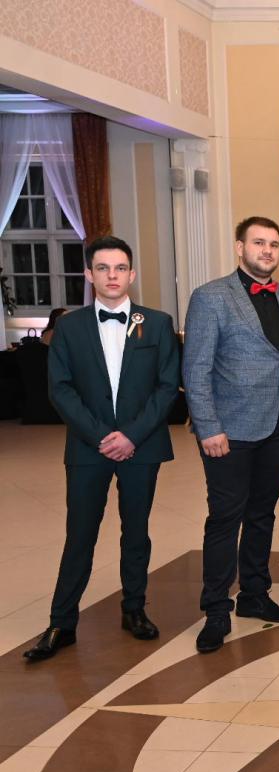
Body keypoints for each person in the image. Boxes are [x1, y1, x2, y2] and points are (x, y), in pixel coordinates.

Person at [25, 237, 179, 662]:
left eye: (120, 268)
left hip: (141, 445)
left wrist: (131, 435)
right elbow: (60, 390)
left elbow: (167, 387)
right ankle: (62, 621)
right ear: (89, 274)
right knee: (80, 533)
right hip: (88, 446)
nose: (112, 275)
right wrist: (101, 437)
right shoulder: (69, 327)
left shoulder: (158, 323)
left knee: (136, 531)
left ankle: (134, 609)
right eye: (103, 268)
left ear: (132, 274)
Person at [183, 216, 279, 653]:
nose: (267, 251)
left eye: (273, 244)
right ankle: (216, 608)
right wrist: (208, 427)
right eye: (258, 243)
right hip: (229, 431)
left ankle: (254, 593)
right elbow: (195, 369)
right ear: (240, 248)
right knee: (224, 518)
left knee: (262, 515)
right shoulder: (211, 297)